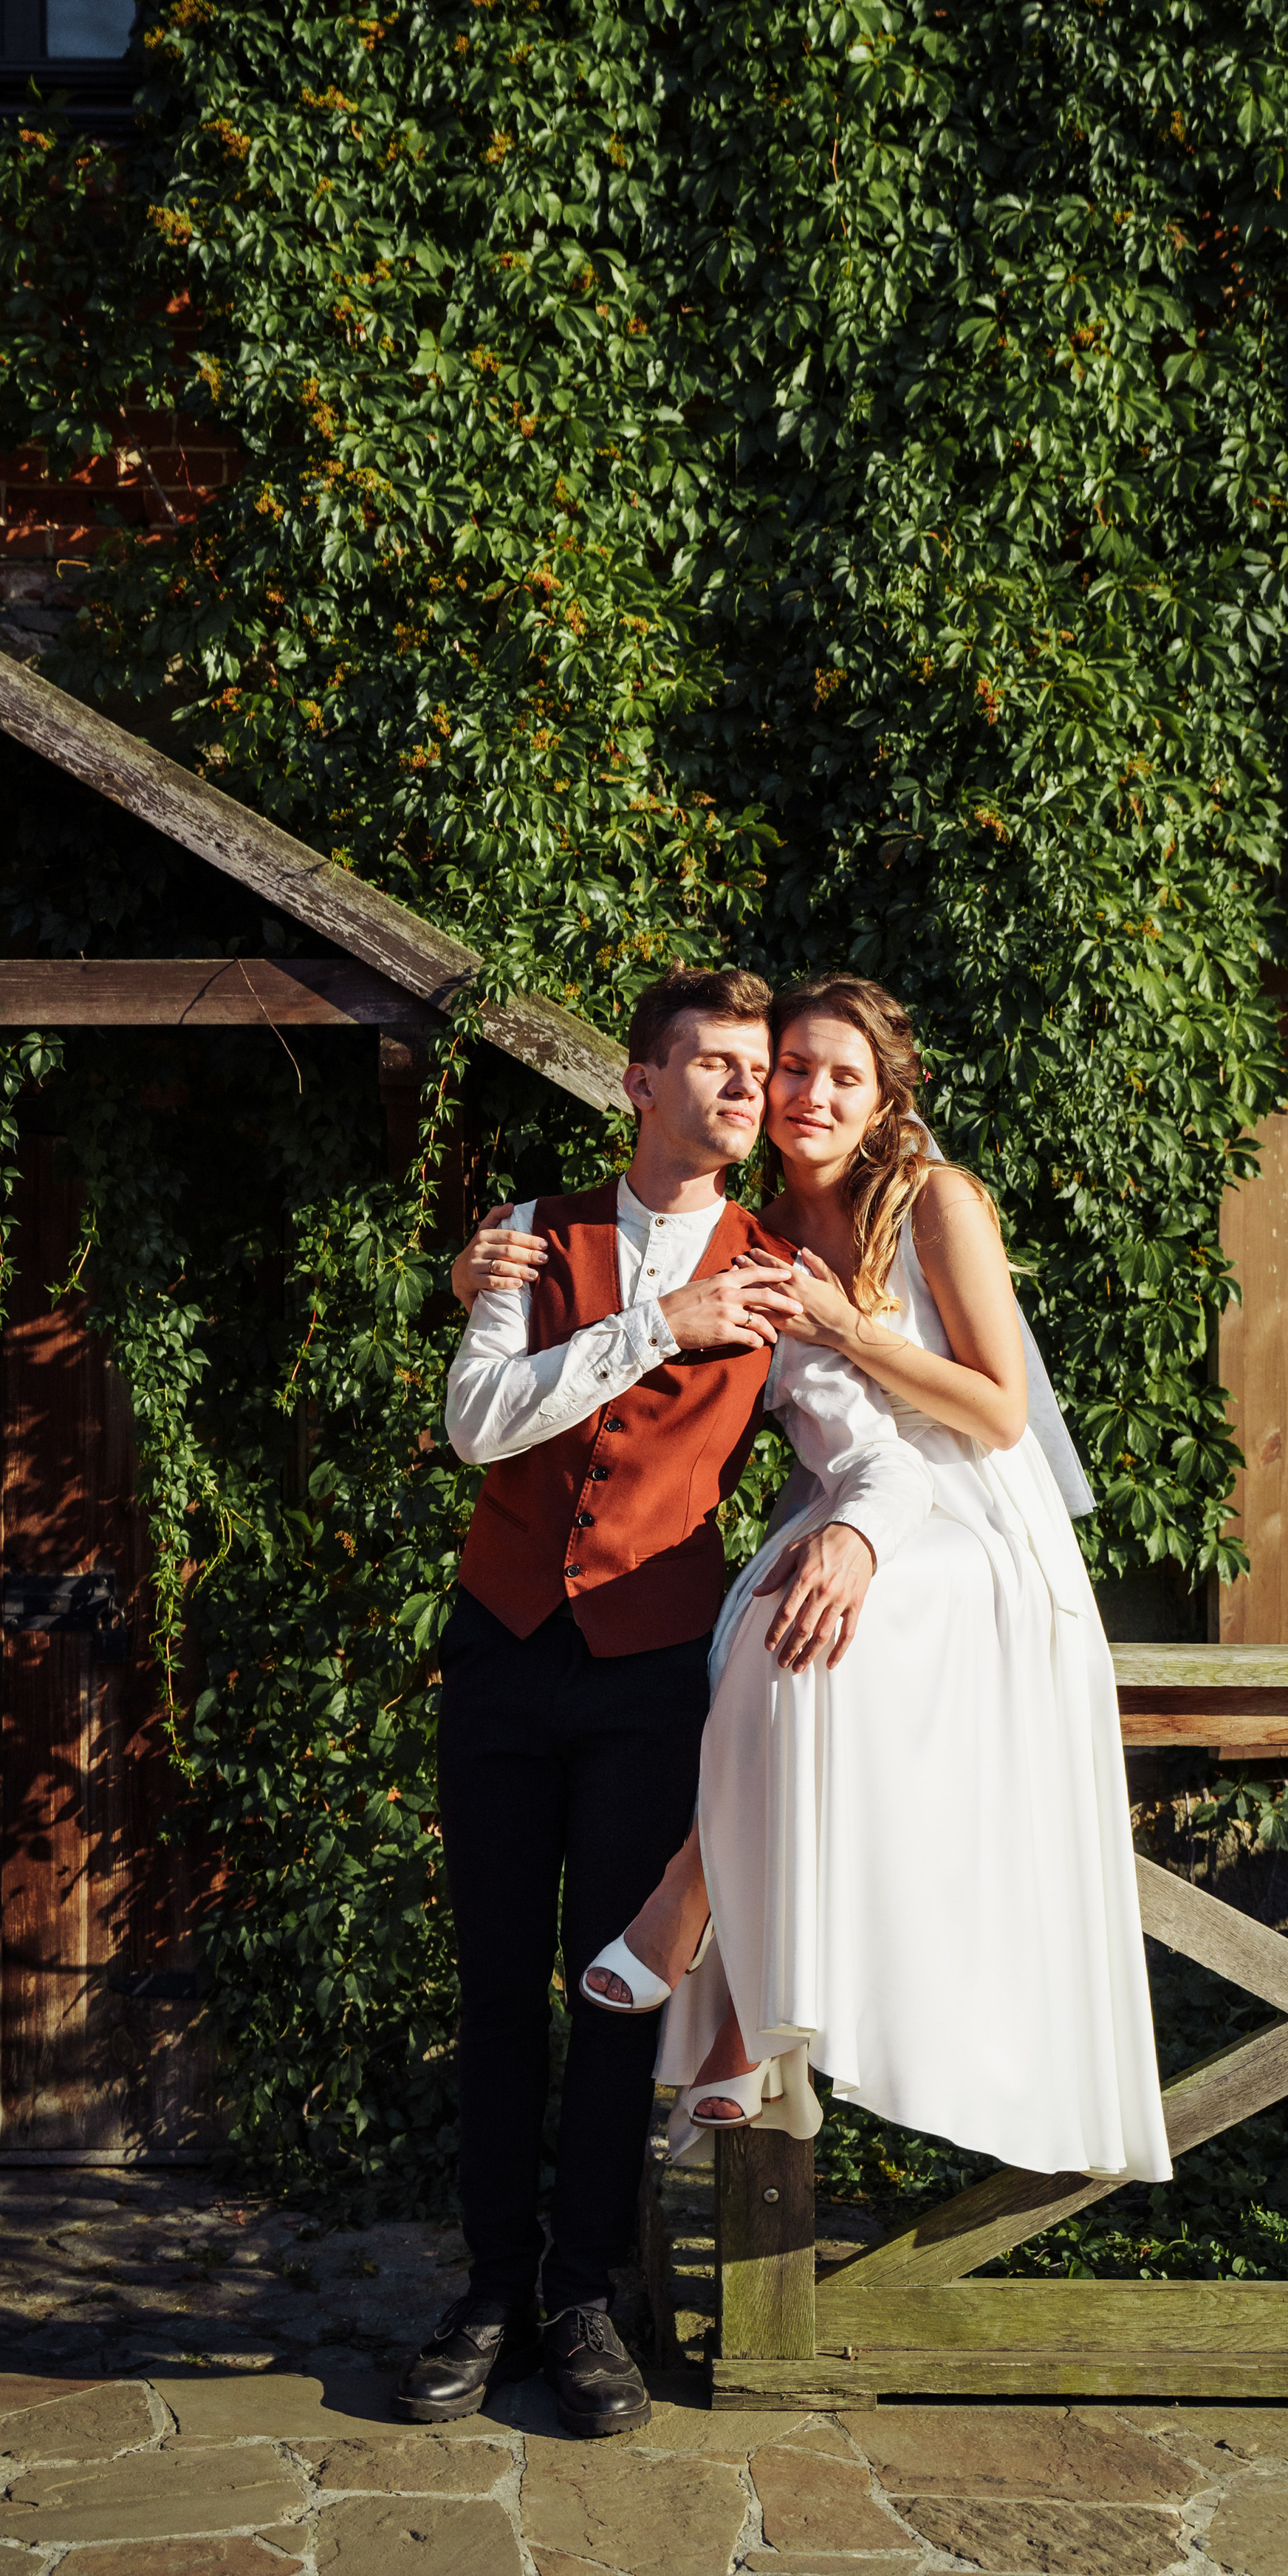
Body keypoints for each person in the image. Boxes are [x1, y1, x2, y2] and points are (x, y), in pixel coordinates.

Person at [467, 971, 1172, 2186]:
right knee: (765, 1643)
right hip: (618, 1586)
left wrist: (852, 1354)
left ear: (888, 1095)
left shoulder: (932, 1202)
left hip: (973, 1515)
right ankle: (740, 2006)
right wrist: (494, 1282)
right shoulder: (712, 1241)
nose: (794, 1091)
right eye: (788, 1067)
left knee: (793, 1648)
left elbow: (994, 1420)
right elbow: (482, 1418)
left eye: (838, 1075)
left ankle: (707, 1937)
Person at [391, 964, 933, 2439]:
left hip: (648, 1673)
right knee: (493, 1985)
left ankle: (581, 2301)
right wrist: (655, 1324)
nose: (745, 1091)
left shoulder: (778, 1276)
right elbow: (473, 1424)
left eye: (757, 1072)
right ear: (637, 1084)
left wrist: (853, 1531)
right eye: (711, 1064)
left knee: (607, 1988)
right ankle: (486, 2294)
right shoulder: (524, 1235)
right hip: (499, 1651)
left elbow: (876, 1456)